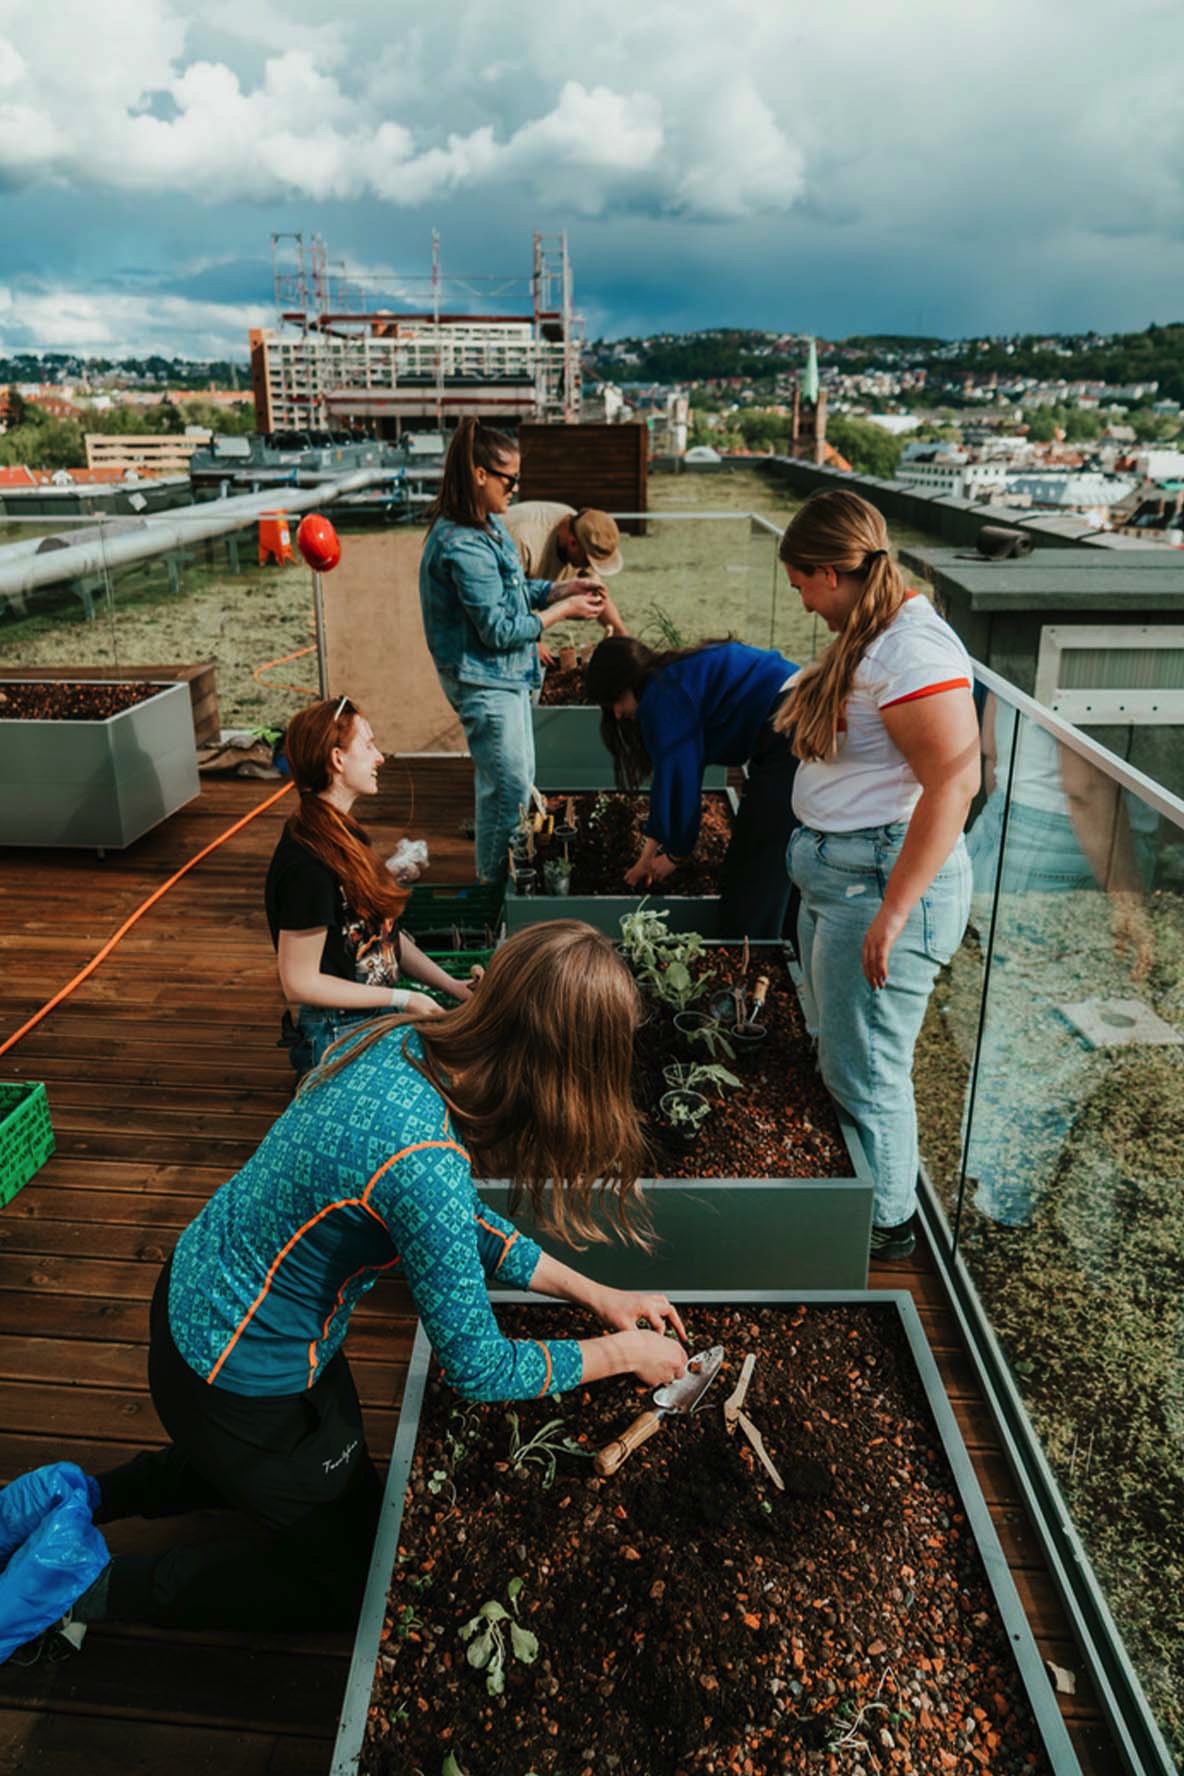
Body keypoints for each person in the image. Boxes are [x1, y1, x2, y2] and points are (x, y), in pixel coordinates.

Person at [42, 922, 688, 1637]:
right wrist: (625, 1354)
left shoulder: (408, 1041)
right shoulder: (422, 1160)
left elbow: (459, 1224)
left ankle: (85, 1497)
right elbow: (478, 1367)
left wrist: (600, 1296)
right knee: (348, 1580)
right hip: (237, 1373)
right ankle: (80, 1593)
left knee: (299, 1481)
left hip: (198, 1300)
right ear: (560, 1071)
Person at [777, 490, 979, 1260]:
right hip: (844, 880)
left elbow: (954, 786)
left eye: (800, 584)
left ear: (830, 573)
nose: (799, 601)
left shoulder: (912, 652)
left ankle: (886, 1225)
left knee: (869, 1073)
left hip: (879, 887)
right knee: (844, 1052)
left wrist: (895, 913)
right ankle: (868, 1196)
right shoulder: (873, 632)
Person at [419, 420, 608, 880]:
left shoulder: (489, 526)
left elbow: (516, 588)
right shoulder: (462, 544)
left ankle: (502, 887)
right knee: (505, 794)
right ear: (479, 474)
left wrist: (562, 591)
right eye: (510, 479)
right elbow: (499, 629)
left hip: (506, 676)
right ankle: (493, 893)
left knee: (516, 783)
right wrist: (563, 614)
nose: (516, 488)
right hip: (484, 681)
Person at [266, 696, 471, 1076]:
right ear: (337, 759)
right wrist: (404, 998)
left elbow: (381, 933)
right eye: (369, 744)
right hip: (337, 1038)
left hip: (373, 1018)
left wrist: (451, 985)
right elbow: (298, 982)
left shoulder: (342, 836)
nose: (380, 757)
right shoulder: (306, 862)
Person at [584, 635, 800, 938]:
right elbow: (666, 783)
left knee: (753, 872)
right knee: (778, 849)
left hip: (791, 720)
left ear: (629, 682)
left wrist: (676, 854)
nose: (617, 714)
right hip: (793, 706)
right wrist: (647, 858)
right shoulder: (668, 676)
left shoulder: (662, 698)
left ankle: (752, 953)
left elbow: (681, 779)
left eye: (616, 701)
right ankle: (788, 947)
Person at [503, 501, 629, 664]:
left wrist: (620, 633)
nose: (589, 567)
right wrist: (530, 643)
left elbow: (596, 590)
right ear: (572, 543)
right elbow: (505, 598)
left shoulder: (581, 526)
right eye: (587, 560)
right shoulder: (524, 540)